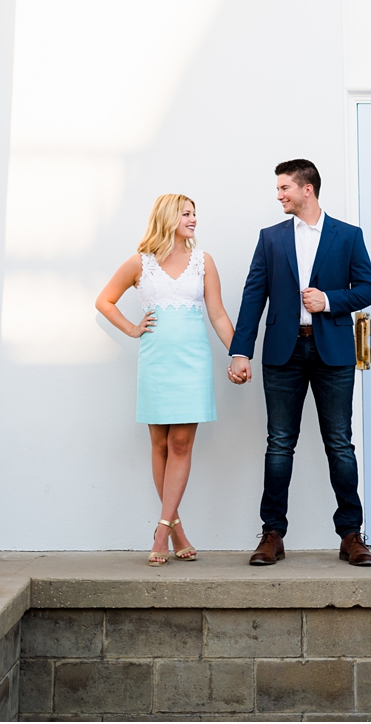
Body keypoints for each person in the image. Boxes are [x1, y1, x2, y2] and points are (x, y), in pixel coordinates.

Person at [228, 159, 371, 566]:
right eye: (278, 189)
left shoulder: (348, 236)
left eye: (284, 188)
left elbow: (369, 289)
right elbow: (252, 295)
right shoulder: (271, 238)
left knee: (339, 445)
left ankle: (351, 535)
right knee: (279, 444)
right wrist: (241, 350)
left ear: (306, 188)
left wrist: (329, 300)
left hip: (332, 351)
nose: (279, 195)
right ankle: (272, 535)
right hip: (283, 352)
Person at [96, 194, 235, 565]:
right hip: (156, 363)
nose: (193, 219)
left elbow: (218, 315)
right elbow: (104, 301)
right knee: (158, 444)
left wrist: (238, 353)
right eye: (186, 214)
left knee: (180, 443)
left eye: (195, 214)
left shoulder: (203, 262)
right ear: (168, 217)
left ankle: (161, 530)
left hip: (193, 364)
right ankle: (178, 531)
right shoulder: (139, 263)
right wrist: (131, 328)